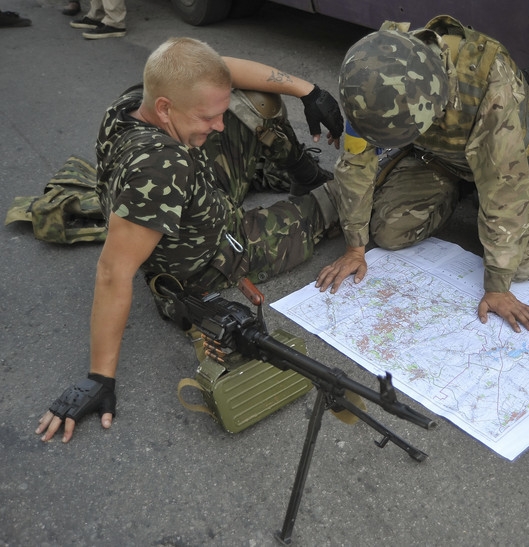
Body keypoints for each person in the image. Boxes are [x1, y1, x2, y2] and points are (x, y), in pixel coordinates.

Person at [35, 37, 344, 443]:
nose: (218, 125)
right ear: (165, 108)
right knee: (341, 198)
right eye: (206, 118)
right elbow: (113, 272)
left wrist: (310, 90)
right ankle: (337, 189)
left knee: (256, 100)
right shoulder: (162, 168)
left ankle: (303, 172)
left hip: (200, 196)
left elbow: (218, 69)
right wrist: (99, 377)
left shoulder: (131, 103)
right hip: (219, 254)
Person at [315, 15, 529, 334]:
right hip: (441, 159)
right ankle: (458, 190)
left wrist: (497, 286)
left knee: (521, 266)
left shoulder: (487, 78)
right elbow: (356, 163)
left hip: (513, 162)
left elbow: (504, 184)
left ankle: (483, 202)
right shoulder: (370, 80)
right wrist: (355, 246)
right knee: (389, 232)